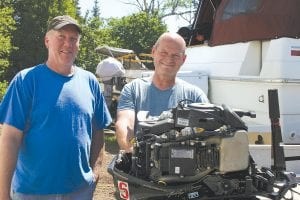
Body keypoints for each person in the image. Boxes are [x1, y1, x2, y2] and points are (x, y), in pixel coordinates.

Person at [0, 15, 112, 200]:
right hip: (32, 192)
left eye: (73, 39)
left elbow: (98, 130)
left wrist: (96, 170)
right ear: (47, 40)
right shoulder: (26, 81)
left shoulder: (90, 81)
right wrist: (4, 195)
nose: (67, 43)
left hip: (80, 191)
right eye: (61, 37)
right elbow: (9, 139)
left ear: (78, 45)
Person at [115, 32, 209, 152]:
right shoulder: (133, 89)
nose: (169, 59)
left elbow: (207, 132)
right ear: (153, 52)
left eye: (175, 55)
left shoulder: (195, 95)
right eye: (163, 53)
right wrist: (131, 151)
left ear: (183, 59)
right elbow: (124, 123)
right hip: (141, 164)